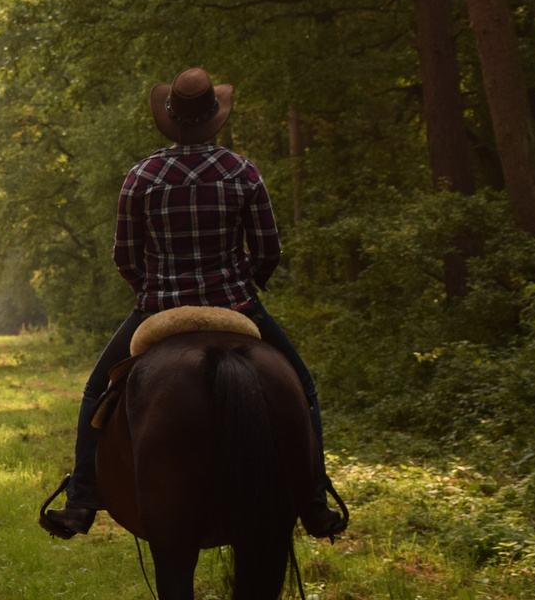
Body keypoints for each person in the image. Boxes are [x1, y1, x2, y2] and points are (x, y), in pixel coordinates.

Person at [38, 67, 348, 541]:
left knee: (95, 392)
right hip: (237, 306)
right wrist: (246, 285)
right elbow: (268, 251)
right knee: (303, 388)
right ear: (214, 117)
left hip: (159, 308)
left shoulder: (141, 176)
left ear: (171, 117)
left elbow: (125, 256)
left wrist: (151, 291)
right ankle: (313, 502)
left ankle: (81, 499)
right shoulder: (243, 172)